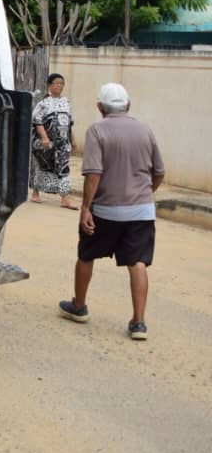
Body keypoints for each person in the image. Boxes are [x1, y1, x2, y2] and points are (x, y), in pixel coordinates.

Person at [59, 83, 165, 341]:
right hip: (141, 211)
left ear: (99, 107)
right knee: (137, 261)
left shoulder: (97, 130)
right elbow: (159, 172)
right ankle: (138, 323)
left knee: (86, 255)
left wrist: (85, 208)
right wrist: (145, 194)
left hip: (106, 210)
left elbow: (94, 173)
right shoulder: (145, 129)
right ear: (128, 105)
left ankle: (79, 306)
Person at [30, 73, 78, 209]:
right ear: (49, 85)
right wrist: (44, 138)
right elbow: (37, 121)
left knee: (63, 168)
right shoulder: (43, 103)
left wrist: (73, 140)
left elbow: (69, 124)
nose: (59, 85)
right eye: (56, 83)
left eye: (62, 83)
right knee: (44, 166)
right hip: (45, 143)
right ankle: (35, 192)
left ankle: (65, 198)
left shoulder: (66, 102)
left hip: (62, 144)